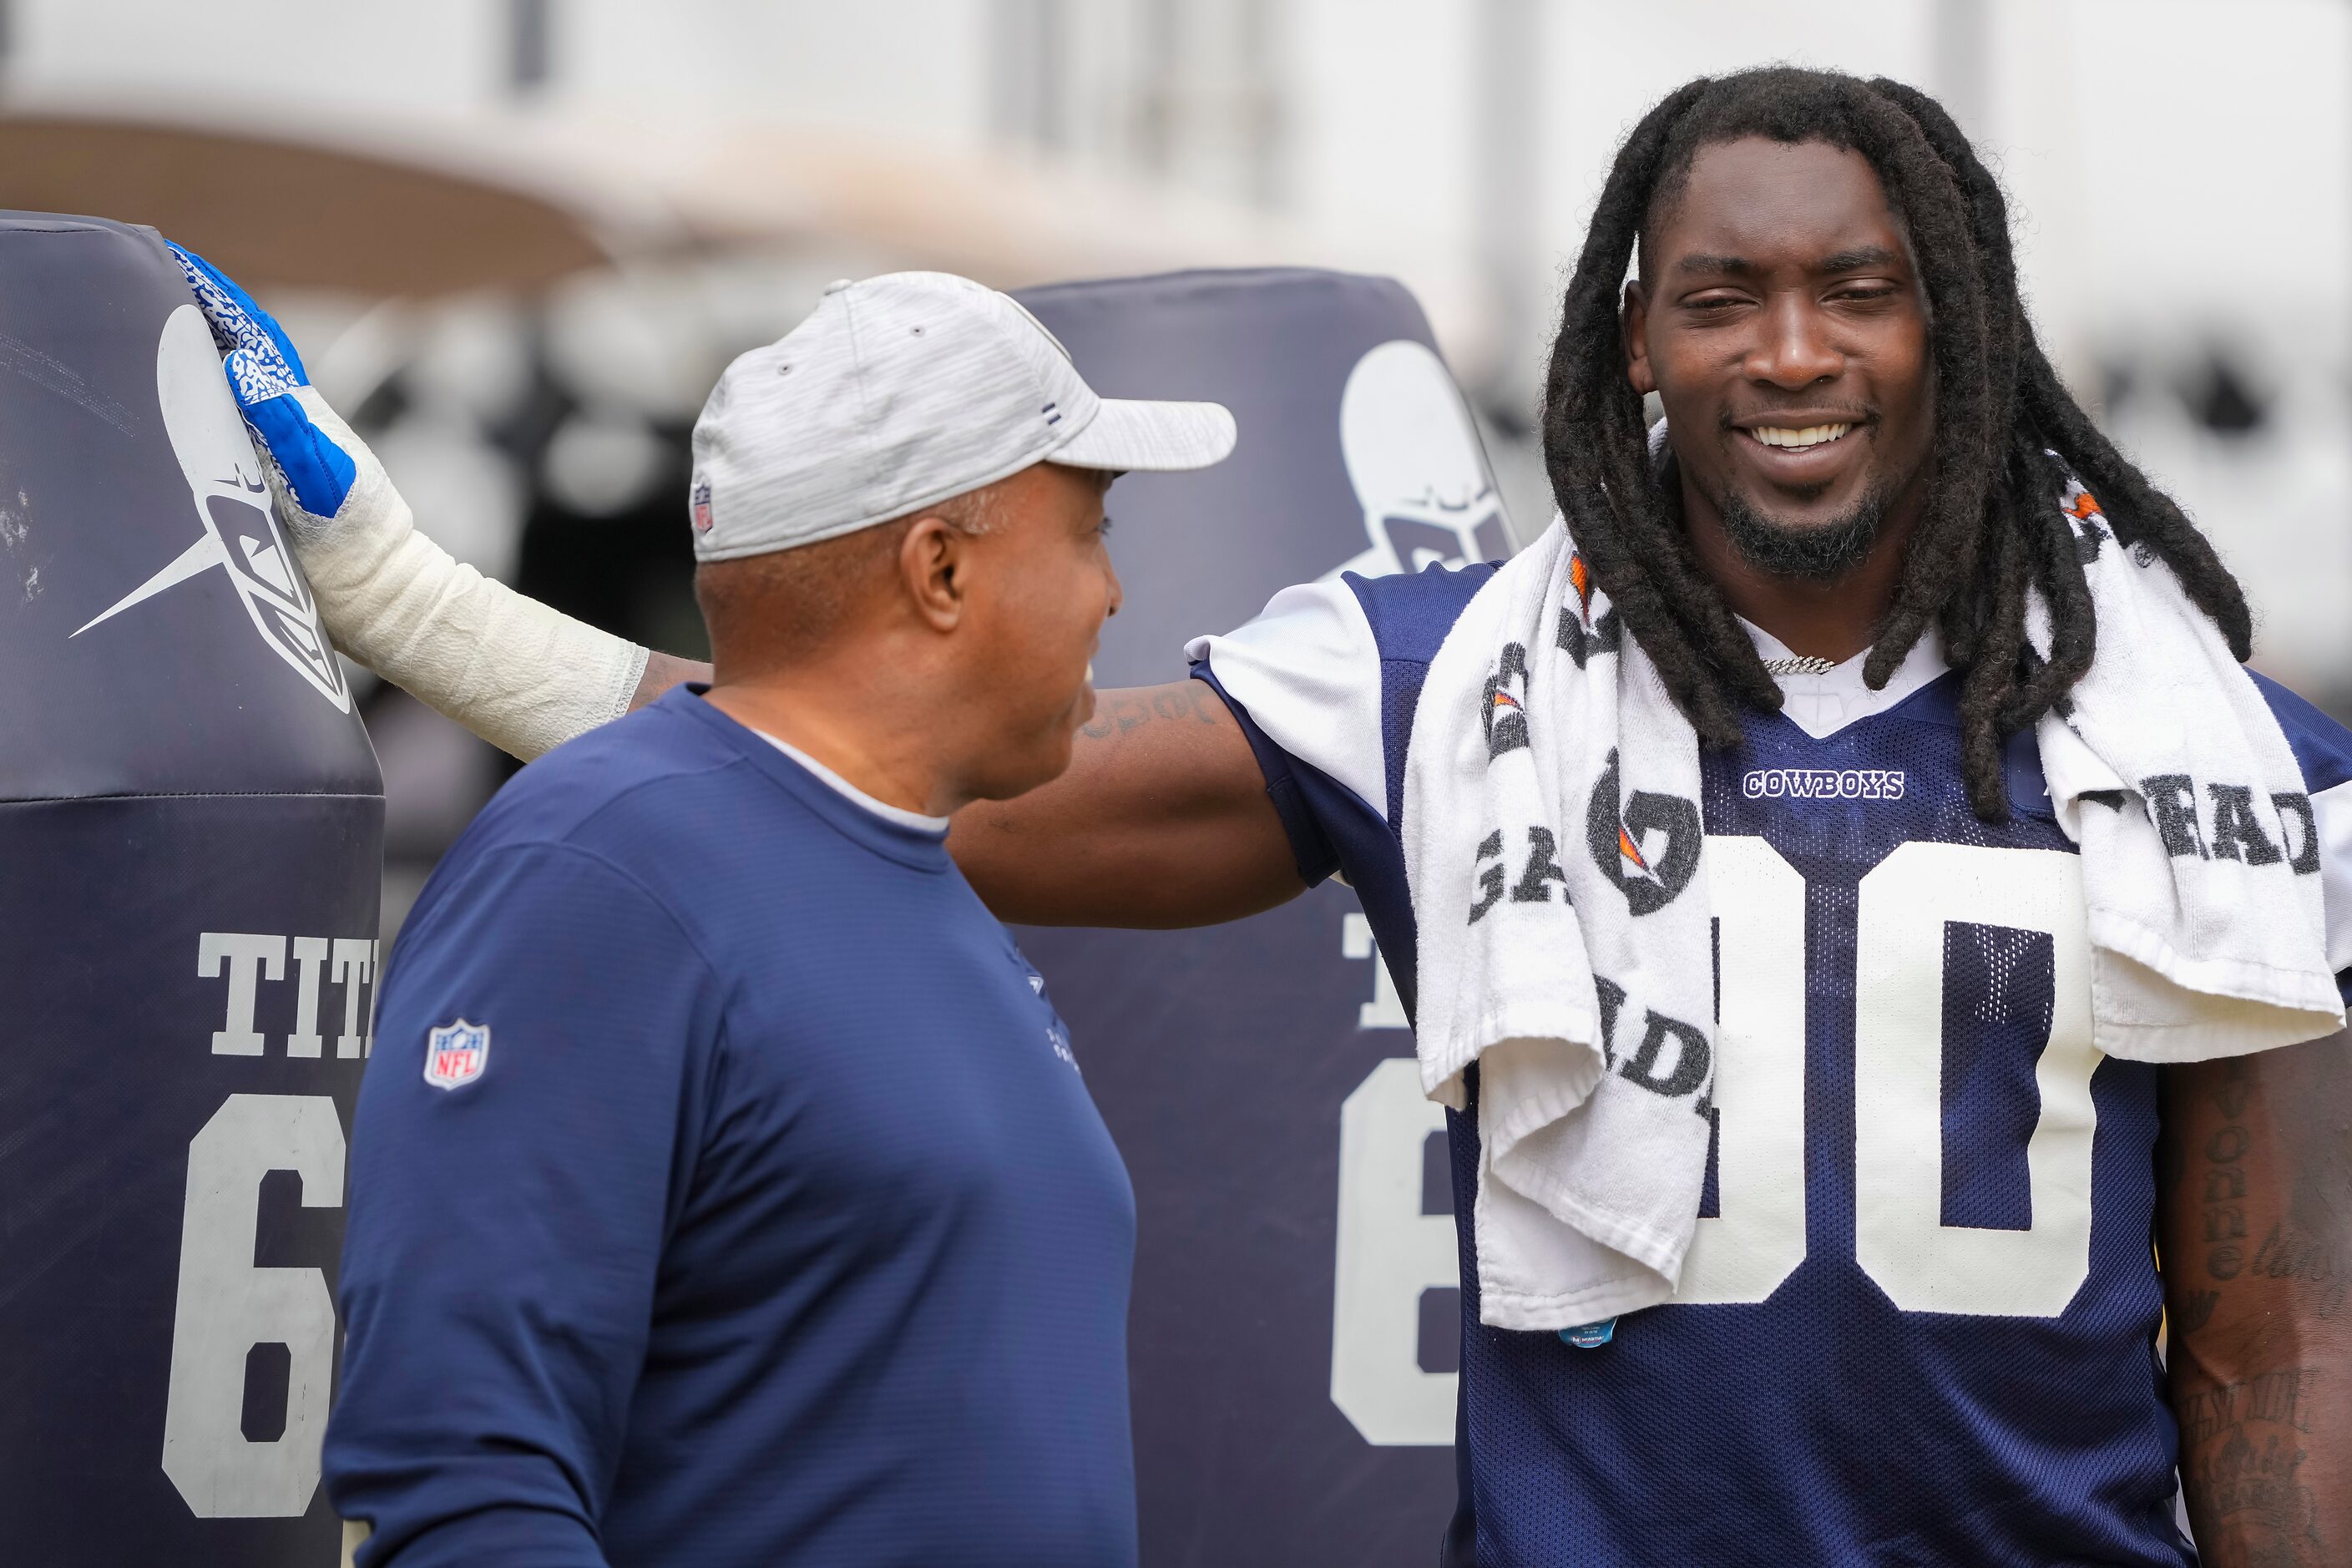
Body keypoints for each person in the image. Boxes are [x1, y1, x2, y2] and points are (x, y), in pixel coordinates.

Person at [186, 68, 2352, 1568]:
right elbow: (862, 750)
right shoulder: (1454, 683)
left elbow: (2272, 1331)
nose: (1789, 350)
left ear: (1959, 326)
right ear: (1634, 350)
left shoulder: (2195, 745)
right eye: (1721, 297)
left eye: (1857, 290)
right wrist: (425, 603)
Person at [186, 261, 1237, 1566]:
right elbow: (466, 1483)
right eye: (1089, 532)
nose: (1113, 594)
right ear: (942, 570)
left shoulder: (909, 883)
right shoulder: (600, 872)